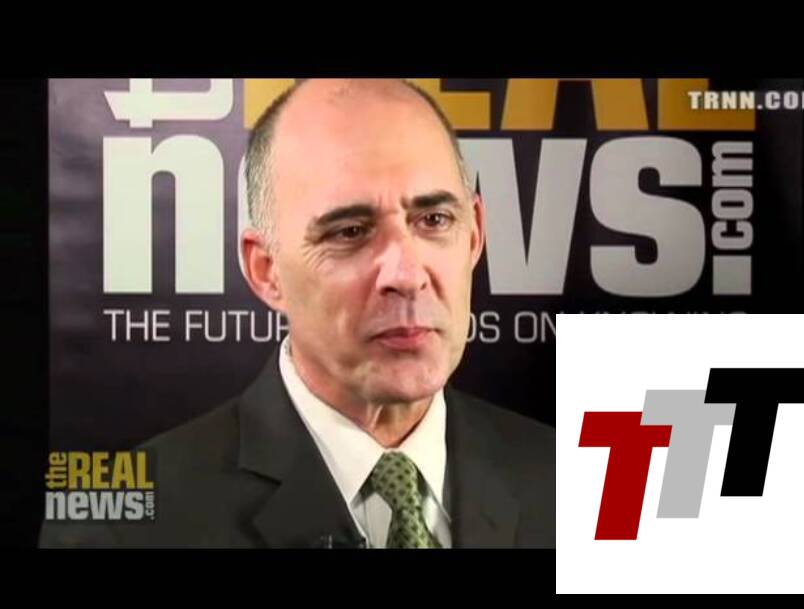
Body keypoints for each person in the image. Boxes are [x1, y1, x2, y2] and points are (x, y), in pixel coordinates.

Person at [41, 79, 554, 548]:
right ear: (266, 271)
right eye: (350, 232)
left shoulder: (575, 482)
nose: (406, 274)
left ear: (474, 235)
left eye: (435, 219)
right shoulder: (115, 530)